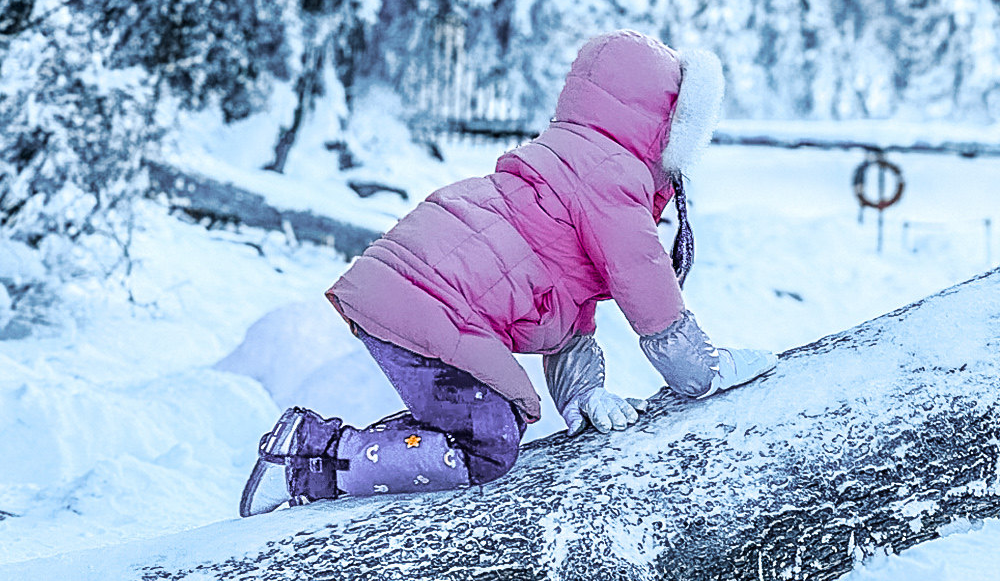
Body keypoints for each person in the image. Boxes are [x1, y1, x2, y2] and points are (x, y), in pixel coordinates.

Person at [239, 31, 775, 516]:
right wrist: (700, 370)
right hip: (429, 300)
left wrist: (583, 394)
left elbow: (567, 315)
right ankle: (307, 461)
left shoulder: (565, 165)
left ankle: (319, 451)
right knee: (487, 442)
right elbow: (643, 276)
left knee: (474, 419)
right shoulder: (611, 178)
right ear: (669, 124)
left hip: (407, 289)